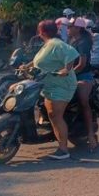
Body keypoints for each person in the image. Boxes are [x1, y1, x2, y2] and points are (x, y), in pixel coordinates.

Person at [29, 20, 80, 160]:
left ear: (42, 32)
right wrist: (26, 66)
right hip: (48, 84)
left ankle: (63, 150)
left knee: (55, 116)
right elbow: (40, 62)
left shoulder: (56, 43)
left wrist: (66, 69)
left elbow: (72, 53)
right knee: (48, 113)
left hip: (61, 85)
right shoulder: (47, 44)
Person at [67, 18, 97, 151]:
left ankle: (90, 134)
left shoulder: (83, 42)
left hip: (83, 76)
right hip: (71, 75)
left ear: (78, 28)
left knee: (83, 102)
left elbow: (81, 64)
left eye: (70, 26)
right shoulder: (71, 40)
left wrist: (68, 73)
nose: (68, 29)